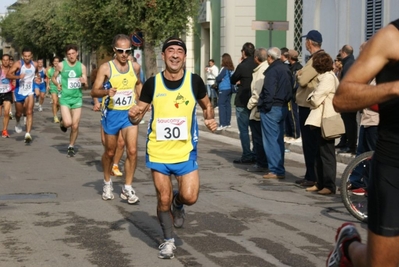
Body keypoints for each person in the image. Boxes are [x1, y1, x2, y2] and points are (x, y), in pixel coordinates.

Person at [128, 37, 217, 259]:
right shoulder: (152, 83)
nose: (175, 55)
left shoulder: (194, 82)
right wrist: (133, 116)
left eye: (179, 51)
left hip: (185, 151)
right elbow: (138, 115)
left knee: (190, 197)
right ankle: (168, 241)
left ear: (185, 57)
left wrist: (210, 118)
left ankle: (180, 203)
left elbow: (207, 105)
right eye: (170, 51)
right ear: (163, 55)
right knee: (163, 198)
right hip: (158, 151)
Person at [326, 19, 399, 267]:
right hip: (394, 167)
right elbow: (343, 98)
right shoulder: (391, 37)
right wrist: (396, 88)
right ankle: (348, 247)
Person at [91, 34, 142, 203]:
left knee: (132, 151)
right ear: (115, 50)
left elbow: (138, 84)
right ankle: (107, 182)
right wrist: (106, 92)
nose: (124, 54)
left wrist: (142, 105)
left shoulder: (135, 67)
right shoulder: (106, 68)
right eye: (120, 51)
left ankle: (127, 187)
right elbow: (94, 91)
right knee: (110, 152)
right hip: (112, 114)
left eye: (128, 51)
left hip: (129, 114)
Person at [303, 52, 339, 195]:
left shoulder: (328, 78)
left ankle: (329, 185)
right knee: (318, 152)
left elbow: (315, 98)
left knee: (327, 153)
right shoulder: (323, 78)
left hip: (327, 118)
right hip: (320, 119)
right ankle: (320, 182)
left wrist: (312, 97)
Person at [295, 30, 324, 187]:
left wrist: (299, 74)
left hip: (308, 106)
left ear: (311, 42)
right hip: (307, 104)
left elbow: (302, 79)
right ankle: (310, 174)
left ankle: (312, 176)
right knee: (310, 143)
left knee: (310, 143)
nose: (305, 43)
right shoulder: (314, 58)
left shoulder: (316, 59)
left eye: (306, 40)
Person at [258, 47, 293, 179]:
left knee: (271, 140)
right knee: (278, 139)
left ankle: (275, 169)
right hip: (282, 106)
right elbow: (290, 90)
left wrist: (266, 106)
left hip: (272, 107)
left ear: (270, 57)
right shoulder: (285, 69)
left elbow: (269, 91)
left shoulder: (272, 70)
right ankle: (278, 168)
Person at [52, 44, 88, 157]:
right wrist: (57, 84)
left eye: (73, 53)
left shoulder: (82, 67)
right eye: (69, 54)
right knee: (68, 123)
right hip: (65, 98)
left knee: (75, 126)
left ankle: (71, 146)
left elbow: (86, 85)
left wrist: (84, 82)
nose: (71, 56)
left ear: (77, 53)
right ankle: (63, 123)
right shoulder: (61, 65)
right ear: (66, 55)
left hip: (77, 98)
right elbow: (53, 77)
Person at [230, 42, 258, 164]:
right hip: (255, 100)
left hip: (242, 101)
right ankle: (257, 153)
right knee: (255, 129)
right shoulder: (258, 64)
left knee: (244, 130)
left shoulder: (242, 65)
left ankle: (247, 154)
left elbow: (232, 79)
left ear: (243, 52)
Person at [7, 47, 38, 143]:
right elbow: (8, 75)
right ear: (22, 56)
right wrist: (18, 76)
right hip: (19, 91)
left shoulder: (35, 64)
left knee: (29, 112)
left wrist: (37, 79)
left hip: (30, 90)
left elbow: (36, 74)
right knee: (18, 113)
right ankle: (17, 122)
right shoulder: (18, 64)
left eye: (29, 56)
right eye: (25, 56)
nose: (27, 58)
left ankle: (28, 134)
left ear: (31, 56)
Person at [246, 48, 269, 172]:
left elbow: (257, 92)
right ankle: (263, 161)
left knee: (258, 138)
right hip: (261, 108)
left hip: (257, 109)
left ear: (256, 58)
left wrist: (249, 105)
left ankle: (261, 162)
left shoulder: (261, 71)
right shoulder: (264, 68)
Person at [336, 45, 357, 154]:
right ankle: (344, 141)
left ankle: (350, 145)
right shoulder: (350, 63)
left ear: (344, 52)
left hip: (349, 98)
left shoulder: (349, 64)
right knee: (345, 121)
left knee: (349, 122)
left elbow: (346, 82)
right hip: (349, 98)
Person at [285, 49, 302, 143]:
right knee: (288, 114)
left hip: (293, 95)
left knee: (293, 115)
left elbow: (295, 84)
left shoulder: (297, 68)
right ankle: (289, 133)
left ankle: (296, 134)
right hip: (289, 95)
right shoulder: (290, 67)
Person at [215, 53, 234, 130]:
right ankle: (228, 122)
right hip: (230, 88)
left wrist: (218, 78)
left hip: (223, 88)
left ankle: (222, 123)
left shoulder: (224, 69)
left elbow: (218, 78)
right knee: (228, 105)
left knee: (221, 105)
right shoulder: (231, 68)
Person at [0, 54, 12, 138]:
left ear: (9, 61)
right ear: (2, 60)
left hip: (7, 92)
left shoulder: (12, 70)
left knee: (7, 112)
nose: (5, 61)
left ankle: (4, 130)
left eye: (7, 60)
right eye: (4, 60)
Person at [46, 56, 62, 123]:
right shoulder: (50, 70)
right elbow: (48, 78)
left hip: (61, 87)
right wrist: (48, 85)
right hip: (53, 87)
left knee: (60, 103)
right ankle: (55, 117)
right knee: (55, 102)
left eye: (57, 61)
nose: (56, 62)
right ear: (53, 62)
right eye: (55, 61)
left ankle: (57, 109)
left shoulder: (62, 69)